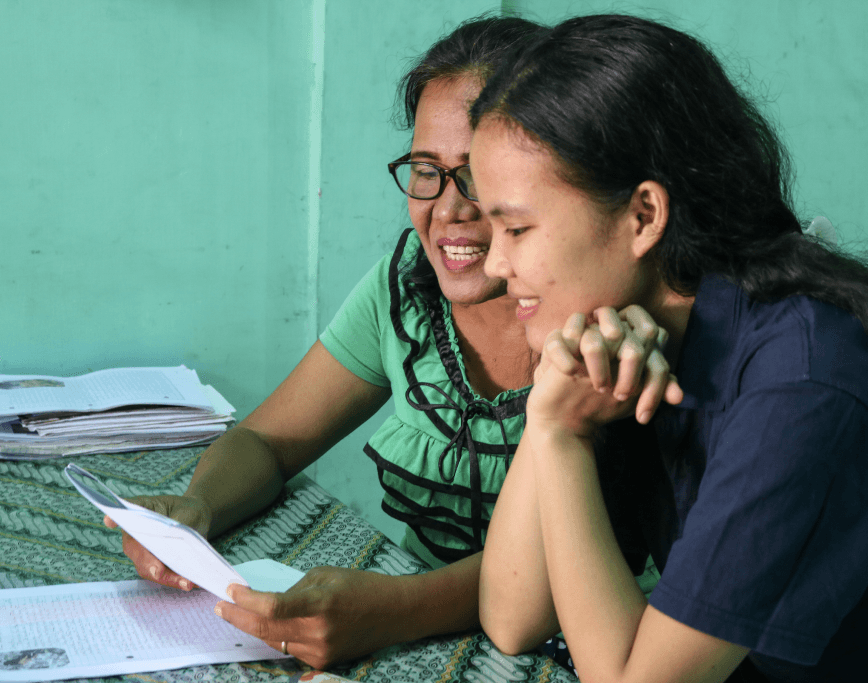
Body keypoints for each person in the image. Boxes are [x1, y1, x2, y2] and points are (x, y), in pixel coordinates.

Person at [105, 16, 675, 669]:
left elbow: (550, 581)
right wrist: (196, 507)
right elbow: (269, 439)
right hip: (426, 627)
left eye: (479, 175)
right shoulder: (406, 288)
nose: (449, 208)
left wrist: (392, 610)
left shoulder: (601, 318)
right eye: (426, 170)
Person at [469, 14, 868, 683]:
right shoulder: (641, 338)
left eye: (517, 229)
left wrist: (563, 438)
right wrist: (552, 421)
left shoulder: (802, 382)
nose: (494, 264)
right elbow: (512, 617)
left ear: (644, 215)